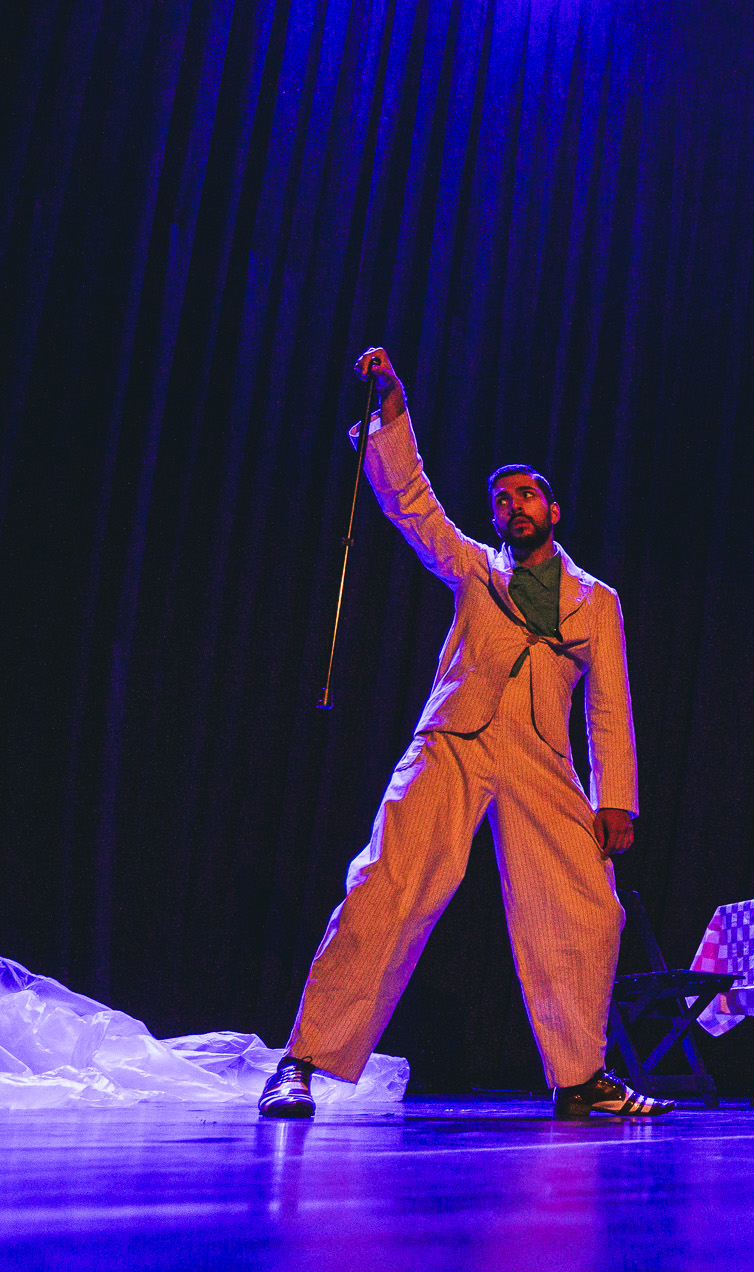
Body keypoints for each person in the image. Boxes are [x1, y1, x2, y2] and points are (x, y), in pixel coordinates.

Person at [260, 348, 671, 1120]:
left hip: (542, 757)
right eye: (501, 498)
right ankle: (302, 1060)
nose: (512, 504)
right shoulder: (475, 566)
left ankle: (581, 1077)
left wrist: (617, 797)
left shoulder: (596, 600)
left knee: (588, 906)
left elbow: (609, 705)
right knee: (384, 886)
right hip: (453, 738)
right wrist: (392, 414)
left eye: (526, 495)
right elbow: (414, 503)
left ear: (553, 510)